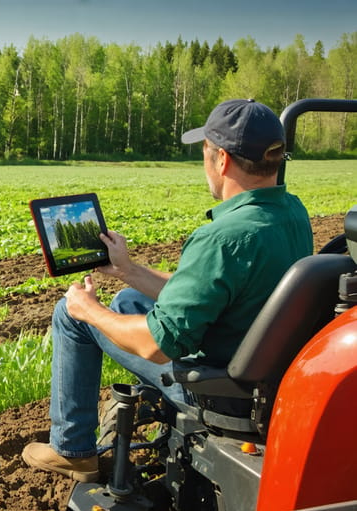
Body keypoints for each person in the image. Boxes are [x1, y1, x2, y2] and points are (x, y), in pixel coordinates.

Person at [21, 99, 314, 482]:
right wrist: (129, 270)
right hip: (263, 373)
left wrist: (88, 310)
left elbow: (157, 345)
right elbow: (210, 292)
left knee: (70, 316)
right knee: (128, 301)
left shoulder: (222, 239)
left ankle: (72, 449)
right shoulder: (292, 212)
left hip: (216, 389)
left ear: (221, 159)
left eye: (205, 152)